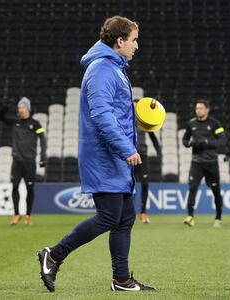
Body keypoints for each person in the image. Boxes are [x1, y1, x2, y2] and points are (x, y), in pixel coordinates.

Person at [37, 16, 155, 293]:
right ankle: (53, 255)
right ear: (120, 41)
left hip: (112, 155)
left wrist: (134, 108)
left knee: (124, 218)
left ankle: (122, 280)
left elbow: (111, 109)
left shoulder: (113, 68)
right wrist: (127, 148)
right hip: (105, 156)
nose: (137, 46)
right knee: (109, 217)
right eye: (134, 40)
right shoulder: (102, 69)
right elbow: (101, 117)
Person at [0, 97, 46, 226]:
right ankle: (16, 214)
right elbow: (1, 117)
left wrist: (43, 157)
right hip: (17, 162)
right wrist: (5, 108)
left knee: (30, 189)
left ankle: (28, 215)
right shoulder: (15, 122)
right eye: (19, 107)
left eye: (23, 107)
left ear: (28, 109)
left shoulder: (35, 124)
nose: (21, 109)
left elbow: (43, 140)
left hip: (30, 162)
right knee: (14, 187)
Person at [182, 99, 226, 228]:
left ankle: (218, 218)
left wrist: (207, 142)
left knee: (216, 191)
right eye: (197, 108)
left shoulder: (215, 124)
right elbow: (185, 139)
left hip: (211, 163)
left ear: (207, 109)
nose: (198, 110)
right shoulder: (191, 124)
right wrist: (189, 143)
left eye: (201, 108)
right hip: (196, 163)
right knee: (192, 188)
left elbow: (223, 141)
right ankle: (190, 217)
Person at [134, 116, 162, 224]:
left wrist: (159, 151)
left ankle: (143, 213)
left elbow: (153, 137)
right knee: (129, 185)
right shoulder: (126, 121)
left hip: (143, 157)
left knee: (145, 184)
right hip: (130, 156)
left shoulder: (144, 123)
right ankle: (128, 212)